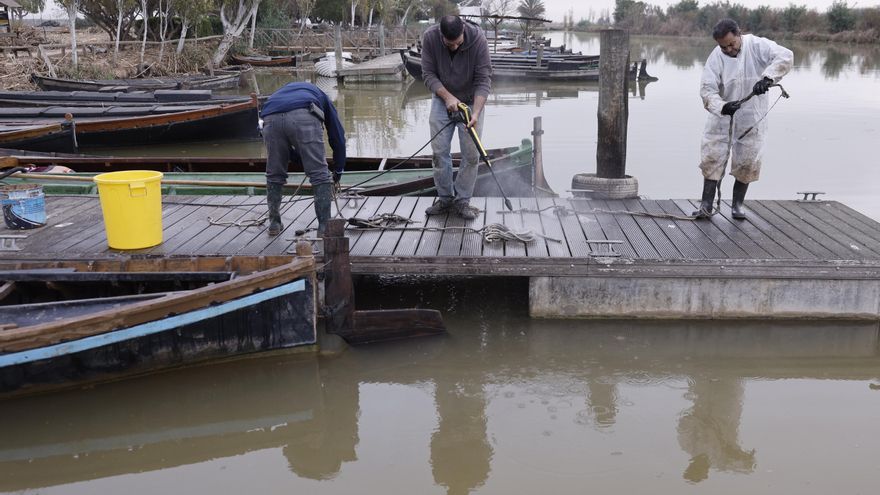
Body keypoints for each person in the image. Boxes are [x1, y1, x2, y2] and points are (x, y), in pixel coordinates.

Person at [693, 19, 792, 220]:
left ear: (739, 34)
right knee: (712, 156)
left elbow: (785, 56)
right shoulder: (716, 58)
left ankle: (737, 205)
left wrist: (767, 78)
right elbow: (707, 89)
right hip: (722, 116)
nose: (729, 49)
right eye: (723, 46)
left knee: (748, 159)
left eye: (732, 44)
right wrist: (722, 106)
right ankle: (706, 205)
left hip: (752, 115)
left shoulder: (757, 45)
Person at [420, 15, 492, 220]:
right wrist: (447, 97)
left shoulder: (478, 40)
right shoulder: (430, 38)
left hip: (471, 101)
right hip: (442, 99)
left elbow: (483, 79)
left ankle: (462, 202)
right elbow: (428, 74)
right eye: (449, 44)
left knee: (471, 154)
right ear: (441, 36)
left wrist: (476, 112)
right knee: (439, 152)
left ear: (464, 33)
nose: (454, 47)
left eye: (458, 43)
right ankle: (445, 200)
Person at [260, 82, 345, 237]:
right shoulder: (322, 97)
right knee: (320, 175)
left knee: (274, 174)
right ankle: (324, 228)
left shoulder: (280, 93)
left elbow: (275, 139)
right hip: (304, 114)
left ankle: (274, 223)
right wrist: (338, 170)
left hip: (269, 118)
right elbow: (337, 137)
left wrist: (299, 157)